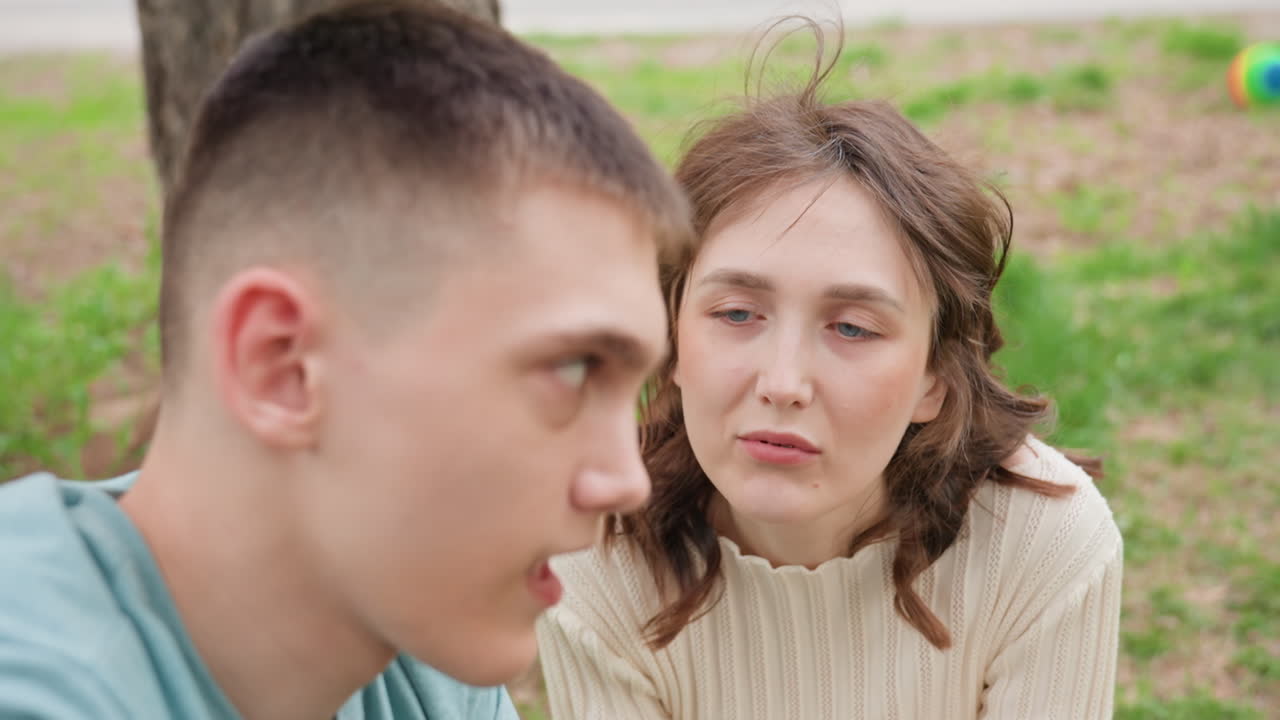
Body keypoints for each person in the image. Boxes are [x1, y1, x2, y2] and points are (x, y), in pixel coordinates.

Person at [0, 1, 691, 718]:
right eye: (573, 371)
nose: (626, 482)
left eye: (633, 389)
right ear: (283, 365)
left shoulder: (423, 626)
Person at [536, 20, 1123, 720]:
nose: (782, 384)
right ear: (670, 336)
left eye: (851, 327)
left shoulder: (1037, 544)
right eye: (736, 314)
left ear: (934, 377)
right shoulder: (595, 555)